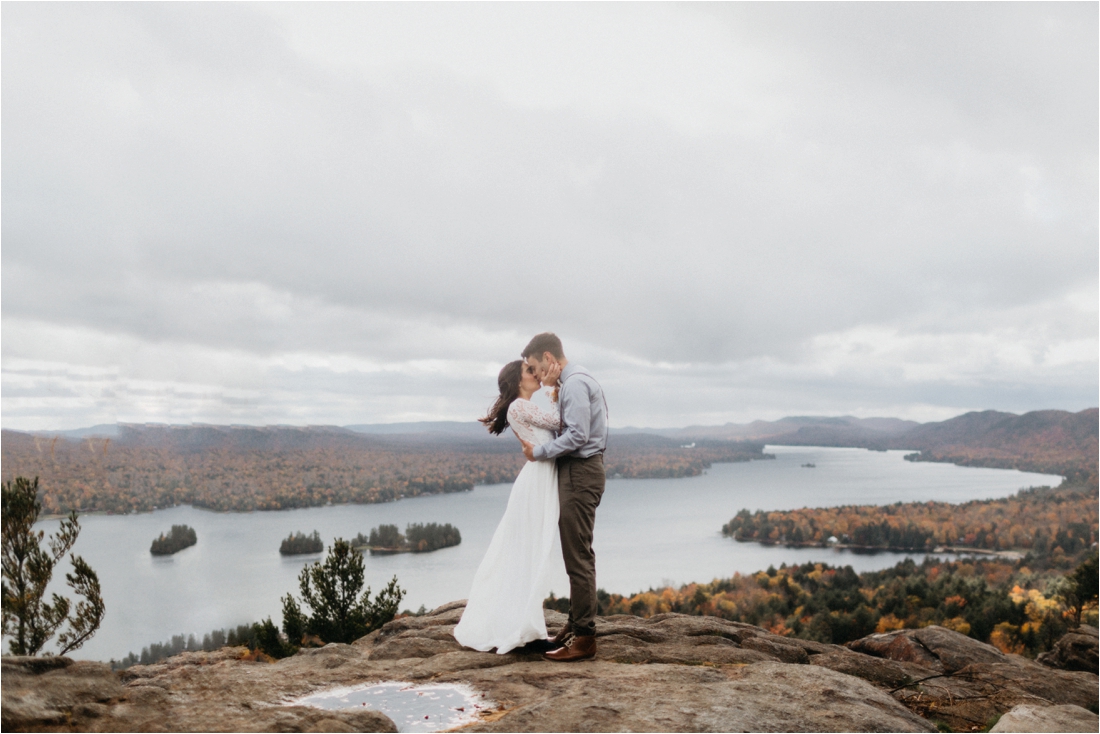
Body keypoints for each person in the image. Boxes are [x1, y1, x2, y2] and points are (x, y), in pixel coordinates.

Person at [452, 360, 567, 654]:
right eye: (531, 371)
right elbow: (561, 423)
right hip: (538, 480)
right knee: (531, 553)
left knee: (531, 553)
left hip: (539, 478)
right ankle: (527, 631)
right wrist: (555, 387)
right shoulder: (519, 406)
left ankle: (527, 628)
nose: (537, 375)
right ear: (518, 380)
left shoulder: (520, 407)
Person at [519, 332, 608, 662]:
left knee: (578, 555)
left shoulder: (574, 383)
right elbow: (569, 426)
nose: (536, 374)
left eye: (534, 367)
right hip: (577, 471)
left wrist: (540, 452)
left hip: (581, 472)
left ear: (547, 357)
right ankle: (576, 623)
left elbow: (577, 435)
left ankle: (585, 638)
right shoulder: (569, 382)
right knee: (576, 551)